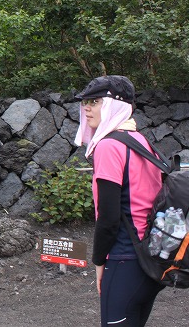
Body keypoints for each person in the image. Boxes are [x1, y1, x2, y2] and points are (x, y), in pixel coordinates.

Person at [74, 75, 164, 326]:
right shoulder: (142, 142)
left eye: (95, 101)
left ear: (114, 106)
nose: (86, 107)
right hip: (150, 261)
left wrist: (99, 262)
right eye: (85, 102)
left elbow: (109, 218)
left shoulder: (108, 146)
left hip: (125, 260)